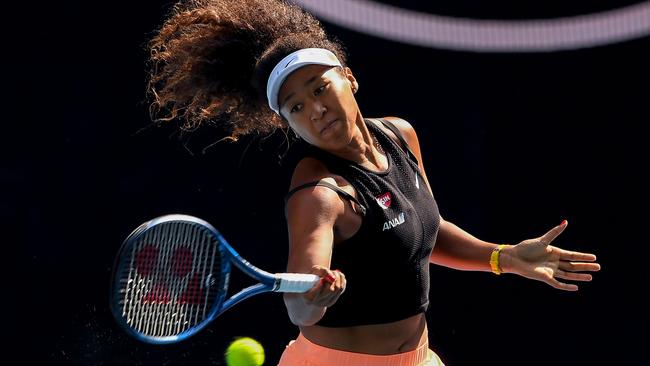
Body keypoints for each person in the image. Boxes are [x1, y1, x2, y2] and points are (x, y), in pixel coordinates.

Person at [145, 1, 601, 365]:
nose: (315, 110)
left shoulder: (399, 135)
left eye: (319, 88)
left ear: (349, 78)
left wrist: (502, 257)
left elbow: (422, 229)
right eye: (296, 108)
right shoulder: (320, 193)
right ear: (289, 124)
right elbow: (298, 307)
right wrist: (313, 296)